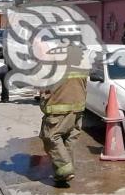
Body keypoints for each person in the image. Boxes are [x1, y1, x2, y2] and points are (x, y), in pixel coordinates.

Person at [38, 44, 89, 186]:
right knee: (69, 138)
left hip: (58, 107)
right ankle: (63, 174)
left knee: (51, 136)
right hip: (78, 106)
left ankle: (65, 169)